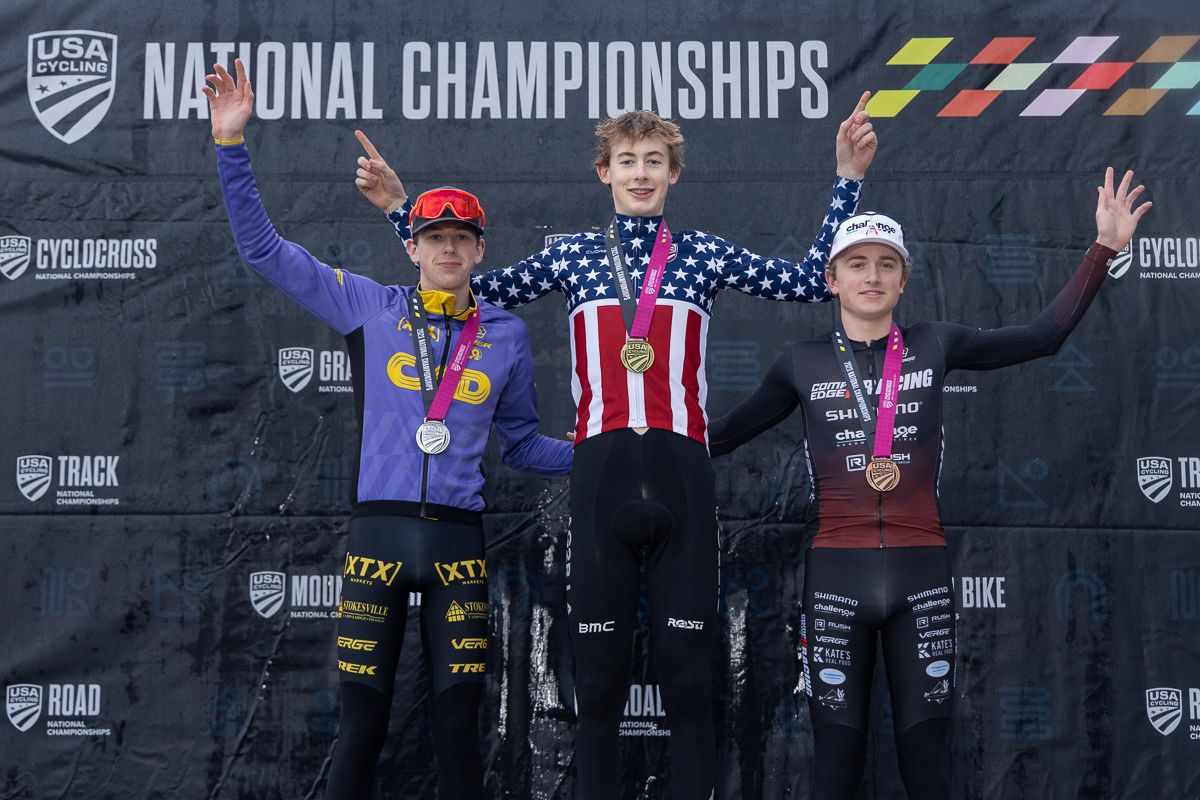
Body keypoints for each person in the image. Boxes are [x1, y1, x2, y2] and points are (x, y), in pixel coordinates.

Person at [352, 94, 878, 798]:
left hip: (681, 473)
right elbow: (463, 284)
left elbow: (814, 280)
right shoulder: (571, 257)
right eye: (627, 161)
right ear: (603, 172)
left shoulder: (699, 255)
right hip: (599, 472)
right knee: (595, 687)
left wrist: (847, 175)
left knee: (691, 684)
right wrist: (400, 210)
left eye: (654, 162)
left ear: (673, 176)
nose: (640, 173)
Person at [707, 169, 1151, 799]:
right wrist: (629, 429)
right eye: (856, 263)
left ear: (904, 279)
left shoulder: (935, 344)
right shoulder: (800, 363)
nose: (872, 276)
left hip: (922, 575)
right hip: (837, 574)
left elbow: (1044, 337)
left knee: (927, 767)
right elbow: (719, 437)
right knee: (833, 766)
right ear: (830, 279)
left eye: (887, 264)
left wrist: (1103, 247)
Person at [203, 59, 571, 800]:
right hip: (376, 542)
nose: (447, 248)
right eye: (433, 236)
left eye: (461, 238)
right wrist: (230, 147)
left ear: (479, 251)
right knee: (362, 723)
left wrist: (609, 448)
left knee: (459, 724)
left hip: (457, 548)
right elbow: (264, 252)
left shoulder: (504, 335)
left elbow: (525, 445)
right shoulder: (368, 307)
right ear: (411, 245)